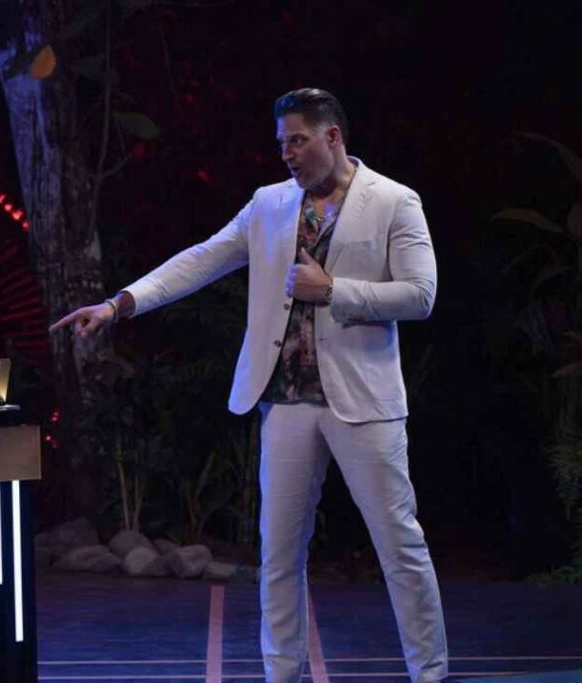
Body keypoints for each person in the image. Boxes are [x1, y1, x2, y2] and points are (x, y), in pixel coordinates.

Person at [51, 88, 448, 683]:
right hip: (285, 401)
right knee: (279, 555)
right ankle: (280, 674)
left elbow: (420, 295)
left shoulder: (393, 200)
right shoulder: (269, 204)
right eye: (282, 142)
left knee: (399, 546)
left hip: (363, 403)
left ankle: (430, 673)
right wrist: (120, 303)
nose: (287, 153)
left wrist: (334, 290)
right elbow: (202, 258)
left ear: (333, 136)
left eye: (298, 141)